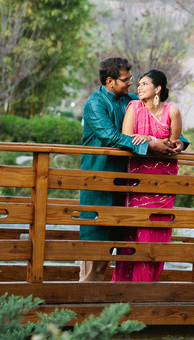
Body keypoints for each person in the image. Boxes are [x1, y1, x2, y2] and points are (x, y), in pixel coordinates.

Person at [79, 58, 187, 281]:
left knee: (123, 245)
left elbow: (160, 121)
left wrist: (179, 142)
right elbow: (111, 137)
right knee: (95, 248)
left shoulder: (131, 100)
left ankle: (115, 306)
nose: (131, 84)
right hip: (100, 181)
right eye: (126, 80)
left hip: (128, 186)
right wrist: (150, 144)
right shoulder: (95, 104)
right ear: (110, 81)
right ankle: (86, 306)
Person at [112, 69, 181, 282]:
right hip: (138, 178)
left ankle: (148, 283)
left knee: (157, 231)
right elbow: (126, 138)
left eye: (145, 84)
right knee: (136, 230)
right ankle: (126, 285)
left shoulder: (172, 111)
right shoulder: (134, 107)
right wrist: (152, 141)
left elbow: (173, 144)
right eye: (139, 84)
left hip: (164, 180)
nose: (139, 87)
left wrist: (148, 138)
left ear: (158, 88)